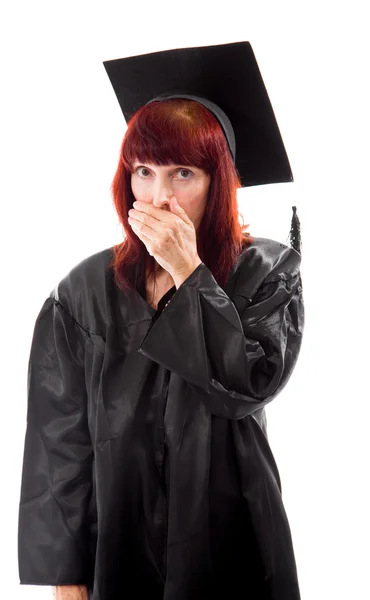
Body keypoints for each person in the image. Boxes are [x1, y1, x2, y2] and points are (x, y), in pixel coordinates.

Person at [18, 41, 305, 600]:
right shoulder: (82, 293)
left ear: (217, 182)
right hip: (118, 540)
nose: (158, 196)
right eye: (143, 171)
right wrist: (66, 574)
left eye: (183, 174)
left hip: (231, 531)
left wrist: (188, 271)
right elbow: (60, 441)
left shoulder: (266, 272)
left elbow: (246, 386)